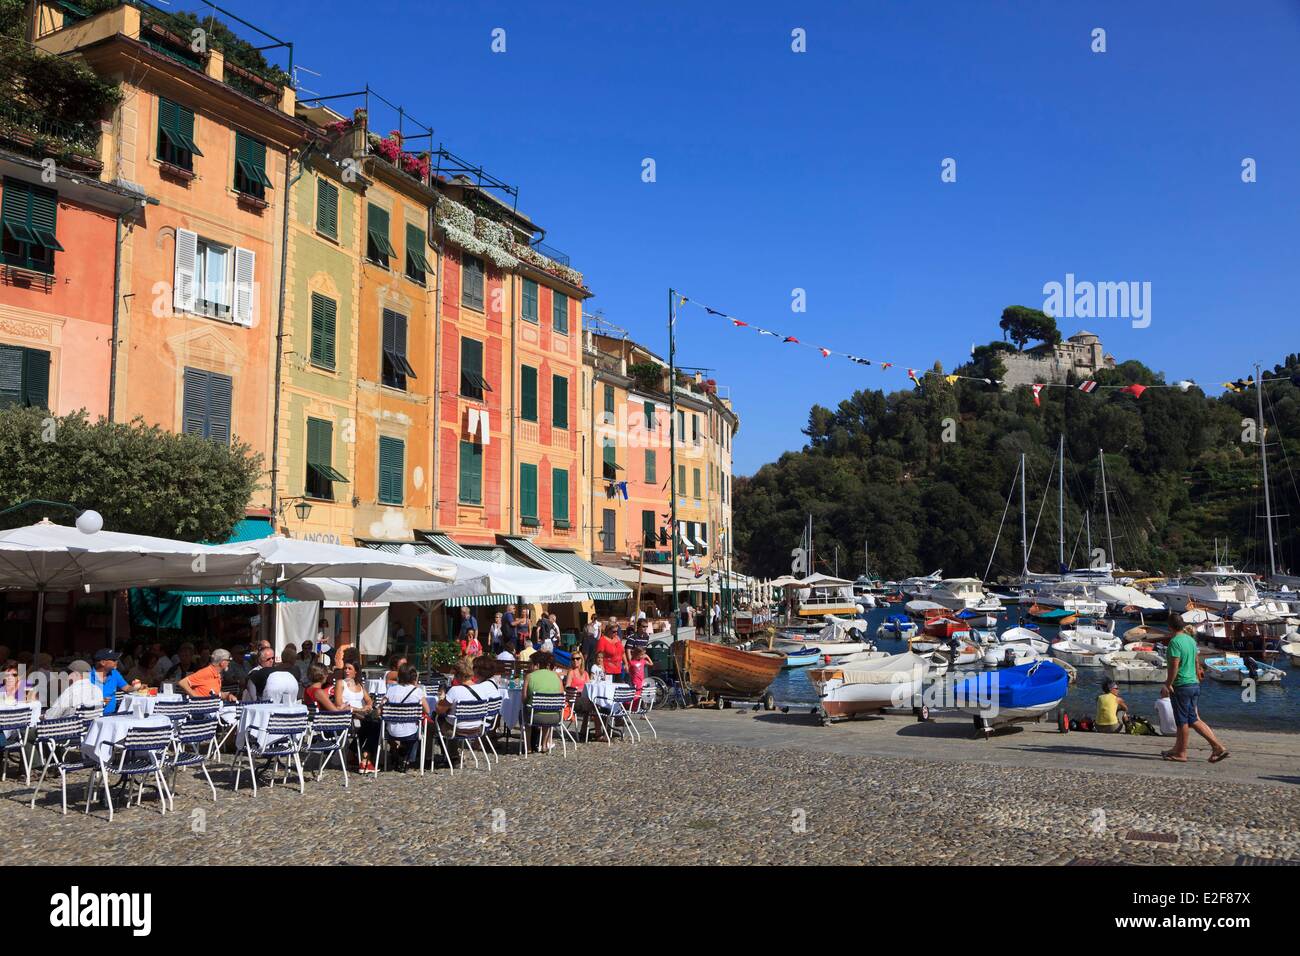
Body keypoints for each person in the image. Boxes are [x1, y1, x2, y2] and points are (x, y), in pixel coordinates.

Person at [1162, 624, 1229, 763]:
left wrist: (1168, 684)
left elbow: (1174, 665)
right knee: (1193, 719)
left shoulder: (1175, 642)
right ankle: (1179, 748)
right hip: (1193, 684)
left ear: (1170, 626)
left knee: (1183, 721)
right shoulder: (1191, 641)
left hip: (1181, 684)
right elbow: (1196, 661)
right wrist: (1197, 676)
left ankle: (1183, 753)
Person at [384, 663, 430, 771]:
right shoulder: (417, 692)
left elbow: (381, 707)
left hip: (392, 732)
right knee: (417, 726)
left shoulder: (391, 690)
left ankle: (400, 754)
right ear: (414, 677)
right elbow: (427, 710)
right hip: (410, 732)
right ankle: (408, 759)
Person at [337, 660, 377, 771]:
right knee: (374, 726)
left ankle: (353, 753)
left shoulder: (359, 685)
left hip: (361, 715)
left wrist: (367, 706)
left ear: (356, 672)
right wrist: (358, 709)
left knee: (374, 724)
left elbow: (369, 700)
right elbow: (339, 704)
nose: (346, 671)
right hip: (349, 715)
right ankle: (365, 758)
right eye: (345, 668)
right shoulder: (341, 683)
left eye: (349, 668)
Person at [521, 651, 564, 751]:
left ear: (537, 664)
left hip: (535, 717)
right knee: (548, 708)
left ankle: (528, 747)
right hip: (554, 717)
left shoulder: (529, 677)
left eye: (531, 663)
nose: (529, 666)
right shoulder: (556, 676)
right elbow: (561, 696)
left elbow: (523, 699)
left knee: (523, 711)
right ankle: (544, 744)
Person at [89, 649, 138, 714]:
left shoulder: (114, 673)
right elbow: (83, 701)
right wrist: (99, 702)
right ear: (103, 662)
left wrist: (135, 687)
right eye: (114, 660)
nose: (117, 661)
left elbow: (126, 687)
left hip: (112, 715)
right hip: (93, 717)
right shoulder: (88, 677)